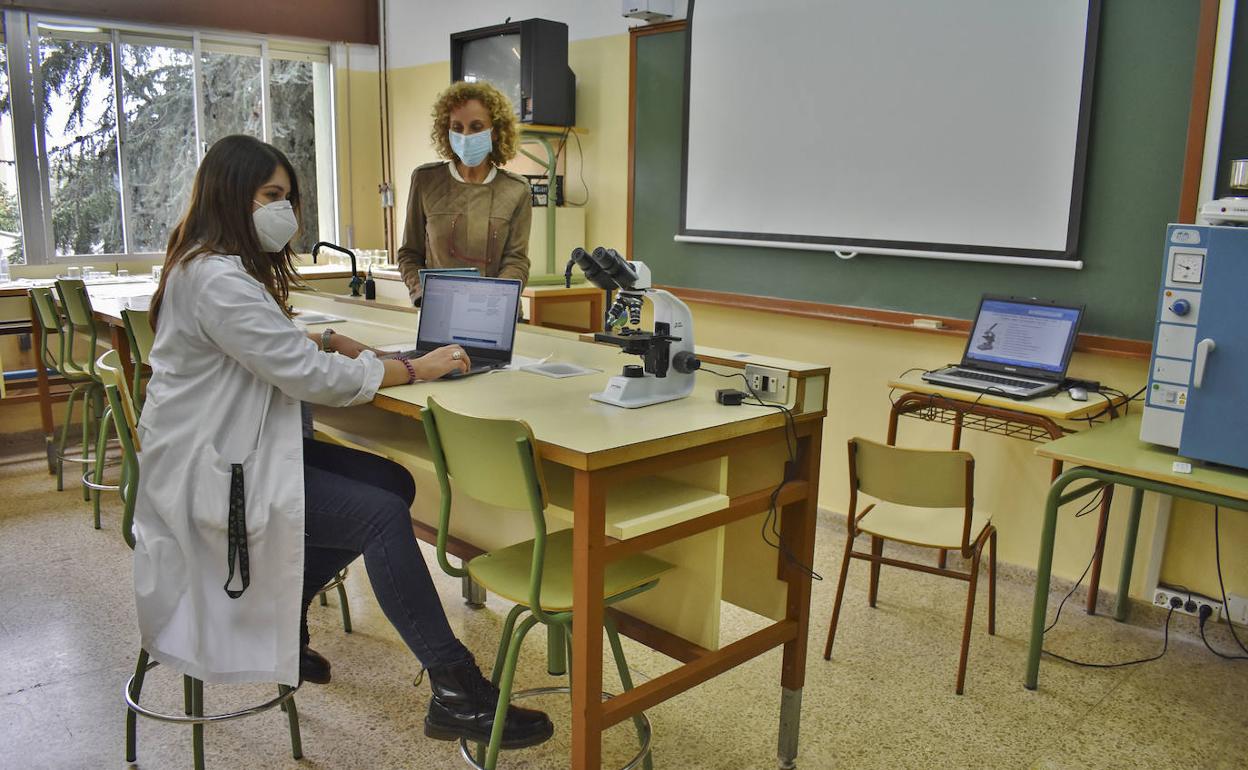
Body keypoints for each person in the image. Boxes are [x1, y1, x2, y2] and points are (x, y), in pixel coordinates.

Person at [134, 134, 553, 750]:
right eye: (272, 196)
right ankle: (456, 689)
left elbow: (277, 351)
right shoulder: (217, 281)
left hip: (235, 449)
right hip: (217, 473)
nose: (287, 212)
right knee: (382, 516)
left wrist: (333, 341)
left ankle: (287, 613)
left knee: (394, 481)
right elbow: (308, 380)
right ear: (232, 195)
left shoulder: (214, 270)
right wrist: (416, 368)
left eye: (289, 198)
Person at [397, 81, 532, 305]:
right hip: (439, 309)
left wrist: (497, 298)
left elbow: (516, 261)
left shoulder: (516, 189)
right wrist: (422, 293)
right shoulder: (426, 180)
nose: (466, 135)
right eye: (457, 128)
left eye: (476, 127)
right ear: (446, 131)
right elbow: (409, 254)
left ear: (495, 132)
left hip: (495, 311)